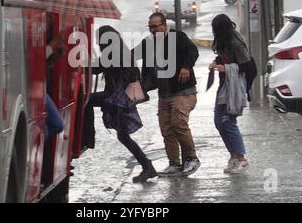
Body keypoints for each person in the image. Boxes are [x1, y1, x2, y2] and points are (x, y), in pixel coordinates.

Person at [86, 25, 157, 183]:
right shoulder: (115, 51)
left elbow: (125, 73)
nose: (98, 44)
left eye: (99, 41)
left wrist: (116, 97)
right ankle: (147, 166)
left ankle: (87, 137)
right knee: (123, 136)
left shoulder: (117, 52)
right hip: (118, 98)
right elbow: (97, 68)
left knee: (86, 100)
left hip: (119, 99)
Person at [134, 13, 201, 176]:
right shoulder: (148, 43)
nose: (153, 30)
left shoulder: (177, 37)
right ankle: (174, 163)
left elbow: (193, 51)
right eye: (150, 27)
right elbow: (131, 54)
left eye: (156, 26)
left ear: (164, 25)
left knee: (179, 124)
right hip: (164, 94)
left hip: (183, 92)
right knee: (166, 129)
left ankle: (192, 158)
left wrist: (186, 66)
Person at [209, 14, 250, 174]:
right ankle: (233, 156)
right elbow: (223, 58)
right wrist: (217, 63)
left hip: (234, 86)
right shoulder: (223, 41)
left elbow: (245, 66)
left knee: (228, 121)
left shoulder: (236, 43)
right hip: (224, 85)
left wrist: (226, 69)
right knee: (219, 122)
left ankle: (242, 159)